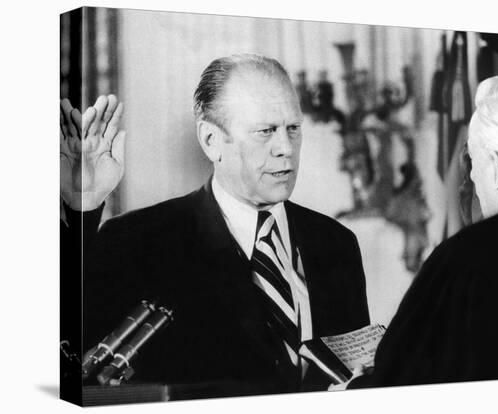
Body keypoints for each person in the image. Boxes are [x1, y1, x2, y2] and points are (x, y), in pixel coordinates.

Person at [60, 54, 370, 397]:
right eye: (265, 131)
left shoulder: (336, 242)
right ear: (210, 140)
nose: (286, 149)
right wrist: (83, 209)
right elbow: (74, 363)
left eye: (293, 129)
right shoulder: (141, 239)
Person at [348, 76, 498, 388]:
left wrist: (351, 390)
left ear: (496, 167)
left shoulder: (466, 257)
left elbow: (401, 383)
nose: (472, 177)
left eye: (473, 162)